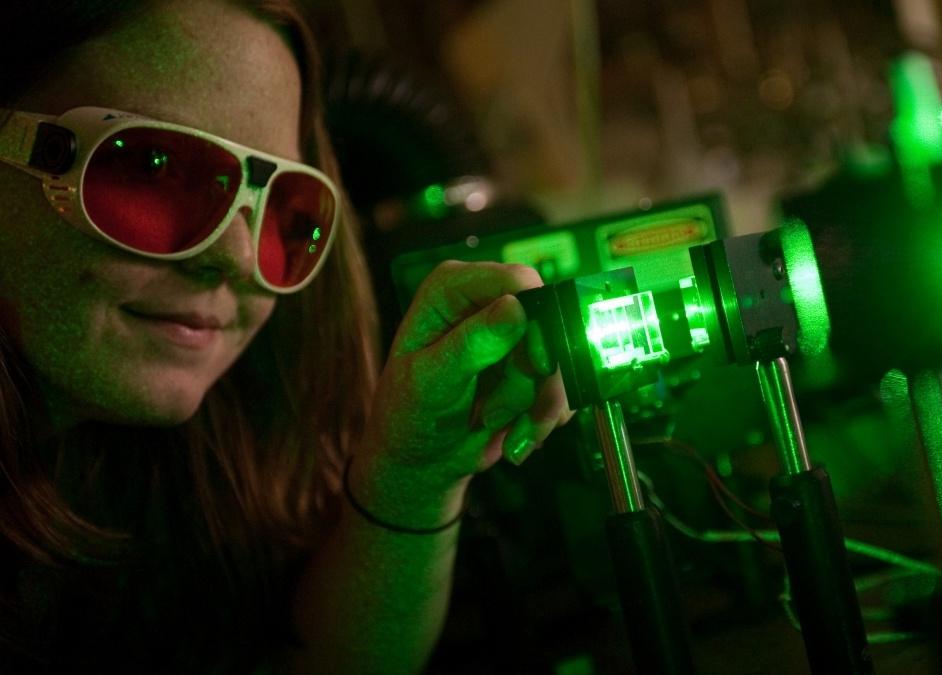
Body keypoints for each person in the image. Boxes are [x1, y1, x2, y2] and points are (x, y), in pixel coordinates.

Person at [0, 1, 569, 672]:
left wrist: (413, 478)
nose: (238, 257)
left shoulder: (179, 467)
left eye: (284, 209)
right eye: (150, 166)